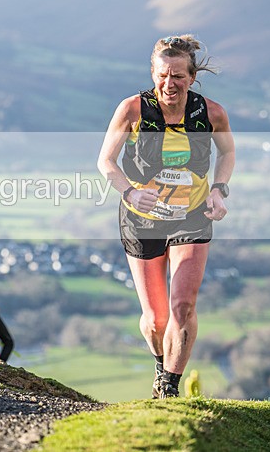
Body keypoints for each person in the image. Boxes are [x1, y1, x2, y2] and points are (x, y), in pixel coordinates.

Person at [97, 35, 235, 398]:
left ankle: (169, 385)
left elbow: (227, 153)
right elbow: (105, 162)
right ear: (153, 73)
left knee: (183, 306)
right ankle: (161, 362)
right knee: (156, 319)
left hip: (192, 215)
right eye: (162, 76)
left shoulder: (212, 113)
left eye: (178, 77)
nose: (169, 84)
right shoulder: (132, 110)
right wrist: (130, 191)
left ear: (192, 77)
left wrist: (219, 190)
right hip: (141, 218)